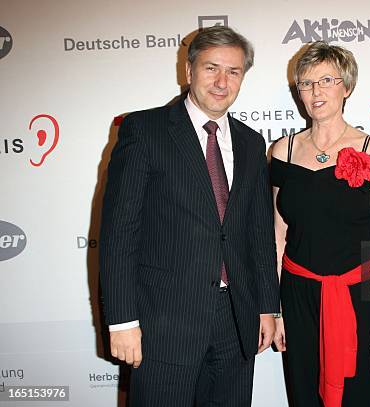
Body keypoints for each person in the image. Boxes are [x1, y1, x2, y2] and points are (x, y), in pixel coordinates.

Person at [99, 26, 279, 407]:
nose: (221, 81)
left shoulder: (250, 141)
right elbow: (119, 233)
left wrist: (266, 306)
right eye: (211, 67)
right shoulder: (145, 130)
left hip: (236, 319)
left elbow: (258, 232)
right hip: (163, 323)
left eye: (233, 71)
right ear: (188, 71)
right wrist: (122, 321)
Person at [270, 41, 370, 407]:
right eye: (307, 83)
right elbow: (278, 237)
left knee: (359, 396)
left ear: (347, 86)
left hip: (359, 299)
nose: (316, 91)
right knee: (304, 394)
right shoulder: (284, 151)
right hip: (298, 298)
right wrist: (276, 310)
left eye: (327, 79)